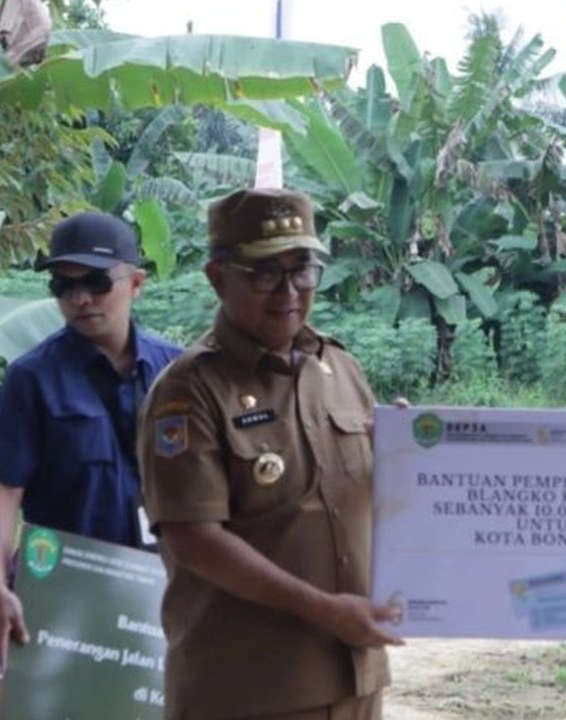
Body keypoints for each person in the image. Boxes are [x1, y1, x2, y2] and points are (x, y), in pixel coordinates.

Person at [138, 188, 401, 720]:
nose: (288, 291)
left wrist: (415, 458)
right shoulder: (189, 391)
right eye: (263, 273)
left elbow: (379, 499)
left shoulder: (340, 370)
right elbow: (195, 539)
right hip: (248, 690)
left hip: (354, 680)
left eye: (302, 269)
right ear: (218, 277)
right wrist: (325, 610)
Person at [0, 211, 182, 671]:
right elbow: (4, 490)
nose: (80, 298)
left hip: (164, 586)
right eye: (63, 287)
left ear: (136, 283)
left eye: (96, 282)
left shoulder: (180, 372)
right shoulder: (31, 378)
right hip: (64, 588)